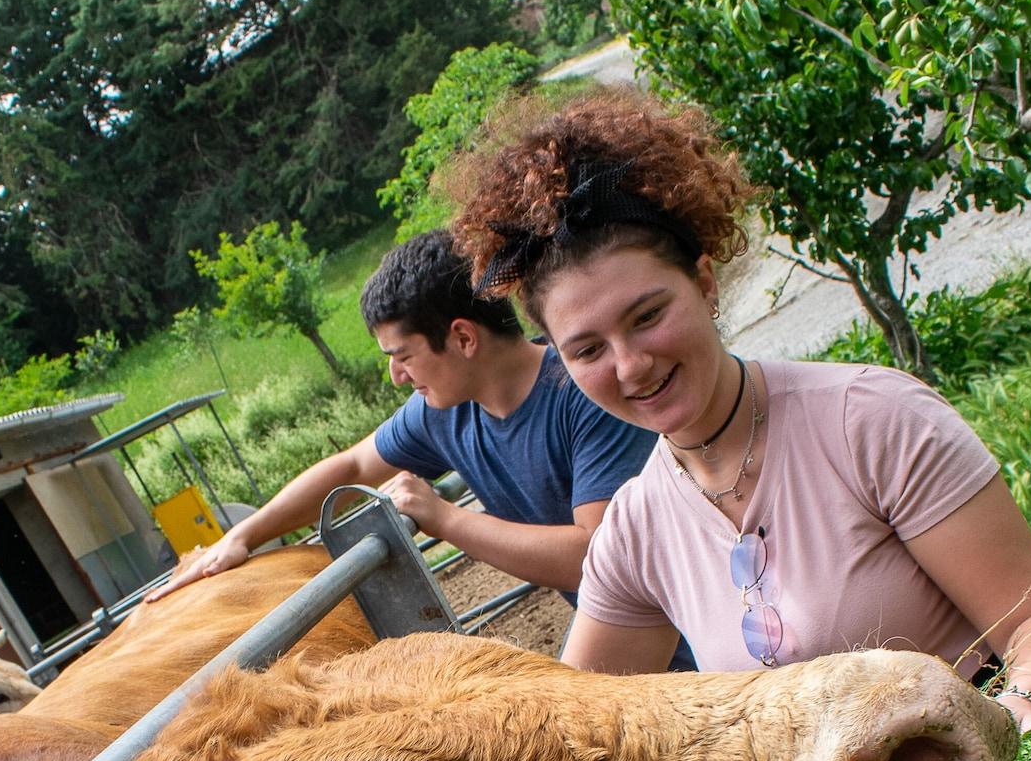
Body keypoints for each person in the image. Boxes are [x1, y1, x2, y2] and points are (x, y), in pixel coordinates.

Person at [446, 86, 1031, 761]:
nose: (630, 365)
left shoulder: (868, 420)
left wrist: (1019, 721)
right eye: (587, 348)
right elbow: (564, 740)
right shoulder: (638, 528)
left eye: (647, 315)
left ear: (703, 277)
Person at [147, 228, 668, 610]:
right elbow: (353, 467)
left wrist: (444, 518)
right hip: (626, 628)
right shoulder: (446, 411)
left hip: (685, 629)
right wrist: (242, 536)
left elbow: (594, 555)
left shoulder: (584, 393)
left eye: (403, 356)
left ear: (463, 338)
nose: (397, 376)